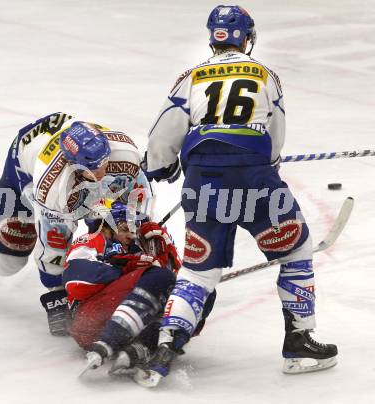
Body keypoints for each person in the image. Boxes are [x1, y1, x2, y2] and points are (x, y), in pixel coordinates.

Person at [140, 5, 337, 386]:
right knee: (296, 250)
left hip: (203, 179)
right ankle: (298, 344)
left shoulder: (191, 76)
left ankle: (164, 349)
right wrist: (270, 163)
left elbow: (166, 128)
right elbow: (275, 130)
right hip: (254, 176)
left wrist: (161, 165)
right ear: (247, 38)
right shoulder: (264, 73)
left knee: (199, 270)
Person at [0, 112, 151, 336]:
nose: (101, 172)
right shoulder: (51, 187)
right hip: (25, 165)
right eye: (92, 168)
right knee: (11, 252)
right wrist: (56, 292)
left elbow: (139, 194)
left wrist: (135, 228)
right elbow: (53, 243)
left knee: (112, 232)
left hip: (71, 167)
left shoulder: (125, 153)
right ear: (73, 164)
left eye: (104, 162)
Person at [62, 201, 182, 375]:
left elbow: (172, 287)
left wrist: (167, 250)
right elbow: (76, 281)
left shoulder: (135, 252)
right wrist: (125, 267)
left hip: (121, 321)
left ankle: (141, 347)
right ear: (105, 228)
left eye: (134, 230)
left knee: (192, 297)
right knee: (159, 277)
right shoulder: (94, 239)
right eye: (125, 229)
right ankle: (111, 341)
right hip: (88, 320)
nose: (132, 236)